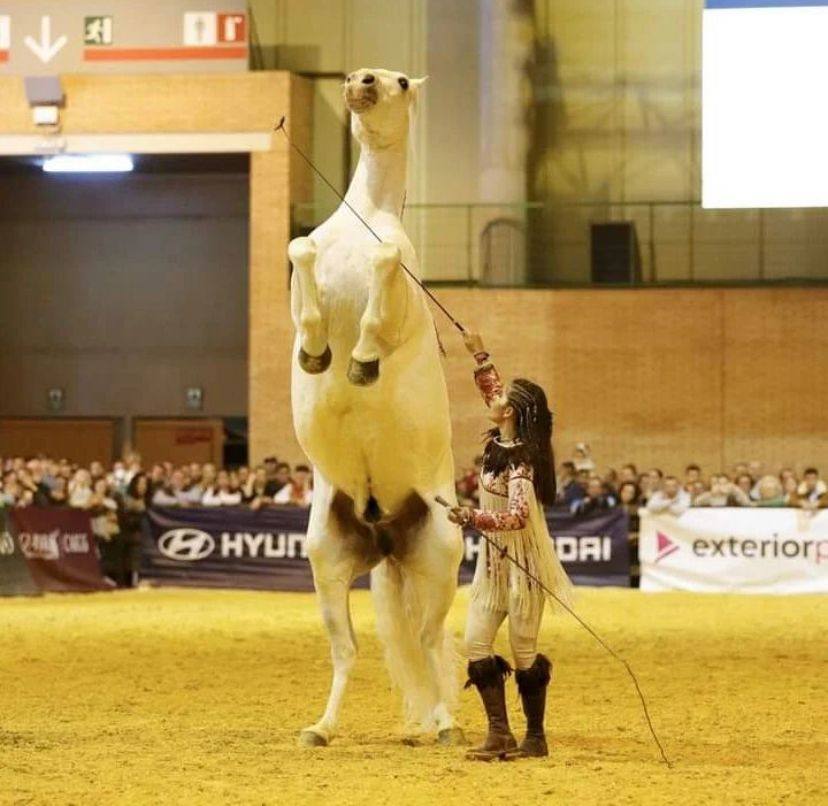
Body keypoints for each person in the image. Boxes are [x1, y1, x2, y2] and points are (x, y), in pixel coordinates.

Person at [447, 332, 572, 761]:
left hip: (522, 567)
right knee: (476, 644)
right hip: (494, 568)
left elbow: (518, 517)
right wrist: (477, 352)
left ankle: (535, 737)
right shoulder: (499, 444)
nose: (493, 400)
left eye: (504, 399)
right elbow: (491, 387)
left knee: (523, 652)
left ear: (512, 412)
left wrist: (472, 517)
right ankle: (498, 733)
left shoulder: (520, 461)